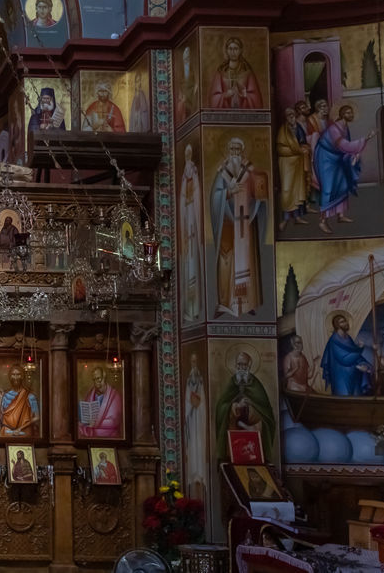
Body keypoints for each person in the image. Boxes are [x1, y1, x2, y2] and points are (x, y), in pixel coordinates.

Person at [210, 137, 265, 316]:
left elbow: (258, 193)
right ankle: (225, 303)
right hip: (227, 225)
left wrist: (255, 197)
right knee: (226, 262)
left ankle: (247, 302)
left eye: (237, 149)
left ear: (242, 151)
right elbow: (214, 198)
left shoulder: (250, 172)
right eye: (232, 149)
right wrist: (227, 192)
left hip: (246, 224)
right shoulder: (222, 173)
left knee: (247, 259)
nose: (234, 152)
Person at [314, 104, 375, 233]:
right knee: (328, 188)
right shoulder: (334, 129)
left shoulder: (344, 127)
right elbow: (344, 145)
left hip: (336, 158)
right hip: (326, 159)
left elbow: (344, 148)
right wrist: (367, 138)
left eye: (351, 113)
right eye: (347, 113)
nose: (350, 115)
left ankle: (340, 215)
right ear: (342, 115)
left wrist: (354, 155)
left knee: (342, 184)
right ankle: (322, 221)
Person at [214, 352, 276, 461]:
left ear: (249, 366)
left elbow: (265, 410)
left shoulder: (255, 384)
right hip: (232, 431)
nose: (241, 368)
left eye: (244, 365)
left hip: (252, 429)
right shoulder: (231, 383)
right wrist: (236, 407)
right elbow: (221, 407)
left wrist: (250, 407)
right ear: (235, 365)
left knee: (260, 425)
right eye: (239, 364)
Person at [277, 106, 311, 230]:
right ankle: (285, 219)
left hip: (298, 164)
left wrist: (304, 149)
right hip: (287, 164)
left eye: (292, 114)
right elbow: (280, 149)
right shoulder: (283, 131)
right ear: (286, 117)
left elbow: (303, 143)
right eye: (288, 115)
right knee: (287, 191)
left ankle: (297, 217)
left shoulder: (299, 127)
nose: (291, 117)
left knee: (298, 191)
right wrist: (296, 150)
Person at [321, 313, 372, 396]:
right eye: (342, 322)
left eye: (345, 321)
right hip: (341, 375)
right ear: (337, 325)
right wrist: (359, 350)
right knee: (345, 396)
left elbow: (354, 354)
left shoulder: (347, 337)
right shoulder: (334, 340)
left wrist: (364, 364)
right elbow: (344, 359)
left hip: (353, 372)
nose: (346, 323)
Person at [179, 144, 203, 322]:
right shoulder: (184, 180)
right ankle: (189, 309)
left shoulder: (194, 175)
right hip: (186, 227)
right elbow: (181, 199)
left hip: (193, 226)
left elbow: (196, 198)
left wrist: (191, 213)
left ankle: (195, 309)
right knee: (188, 265)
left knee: (193, 264)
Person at [209, 37, 262, 109]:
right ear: (226, 50)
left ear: (241, 50)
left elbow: (256, 97)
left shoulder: (247, 71)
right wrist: (225, 95)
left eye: (235, 49)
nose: (233, 52)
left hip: (244, 114)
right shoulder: (221, 71)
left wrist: (246, 95)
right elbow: (214, 97)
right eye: (230, 49)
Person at [183, 355, 208, 501]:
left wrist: (197, 403)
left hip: (199, 421)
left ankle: (199, 477)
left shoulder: (200, 380)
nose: (194, 364)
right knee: (192, 445)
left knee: (198, 444)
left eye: (196, 361)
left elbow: (201, 401)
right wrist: (190, 404)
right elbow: (188, 399)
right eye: (192, 361)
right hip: (191, 422)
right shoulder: (189, 380)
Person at [79, 366, 122, 438]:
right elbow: (86, 415)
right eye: (94, 379)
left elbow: (114, 421)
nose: (96, 381)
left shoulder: (114, 396)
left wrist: (95, 423)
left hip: (109, 435)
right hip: (92, 433)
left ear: (104, 377)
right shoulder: (90, 394)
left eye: (98, 378)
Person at [0, 365, 40, 436]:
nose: (16, 377)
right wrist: (1, 398)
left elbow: (37, 417)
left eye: (18, 375)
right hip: (7, 433)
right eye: (13, 375)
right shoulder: (5, 395)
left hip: (23, 432)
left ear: (22, 376)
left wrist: (20, 428)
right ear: (10, 377)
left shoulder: (30, 396)